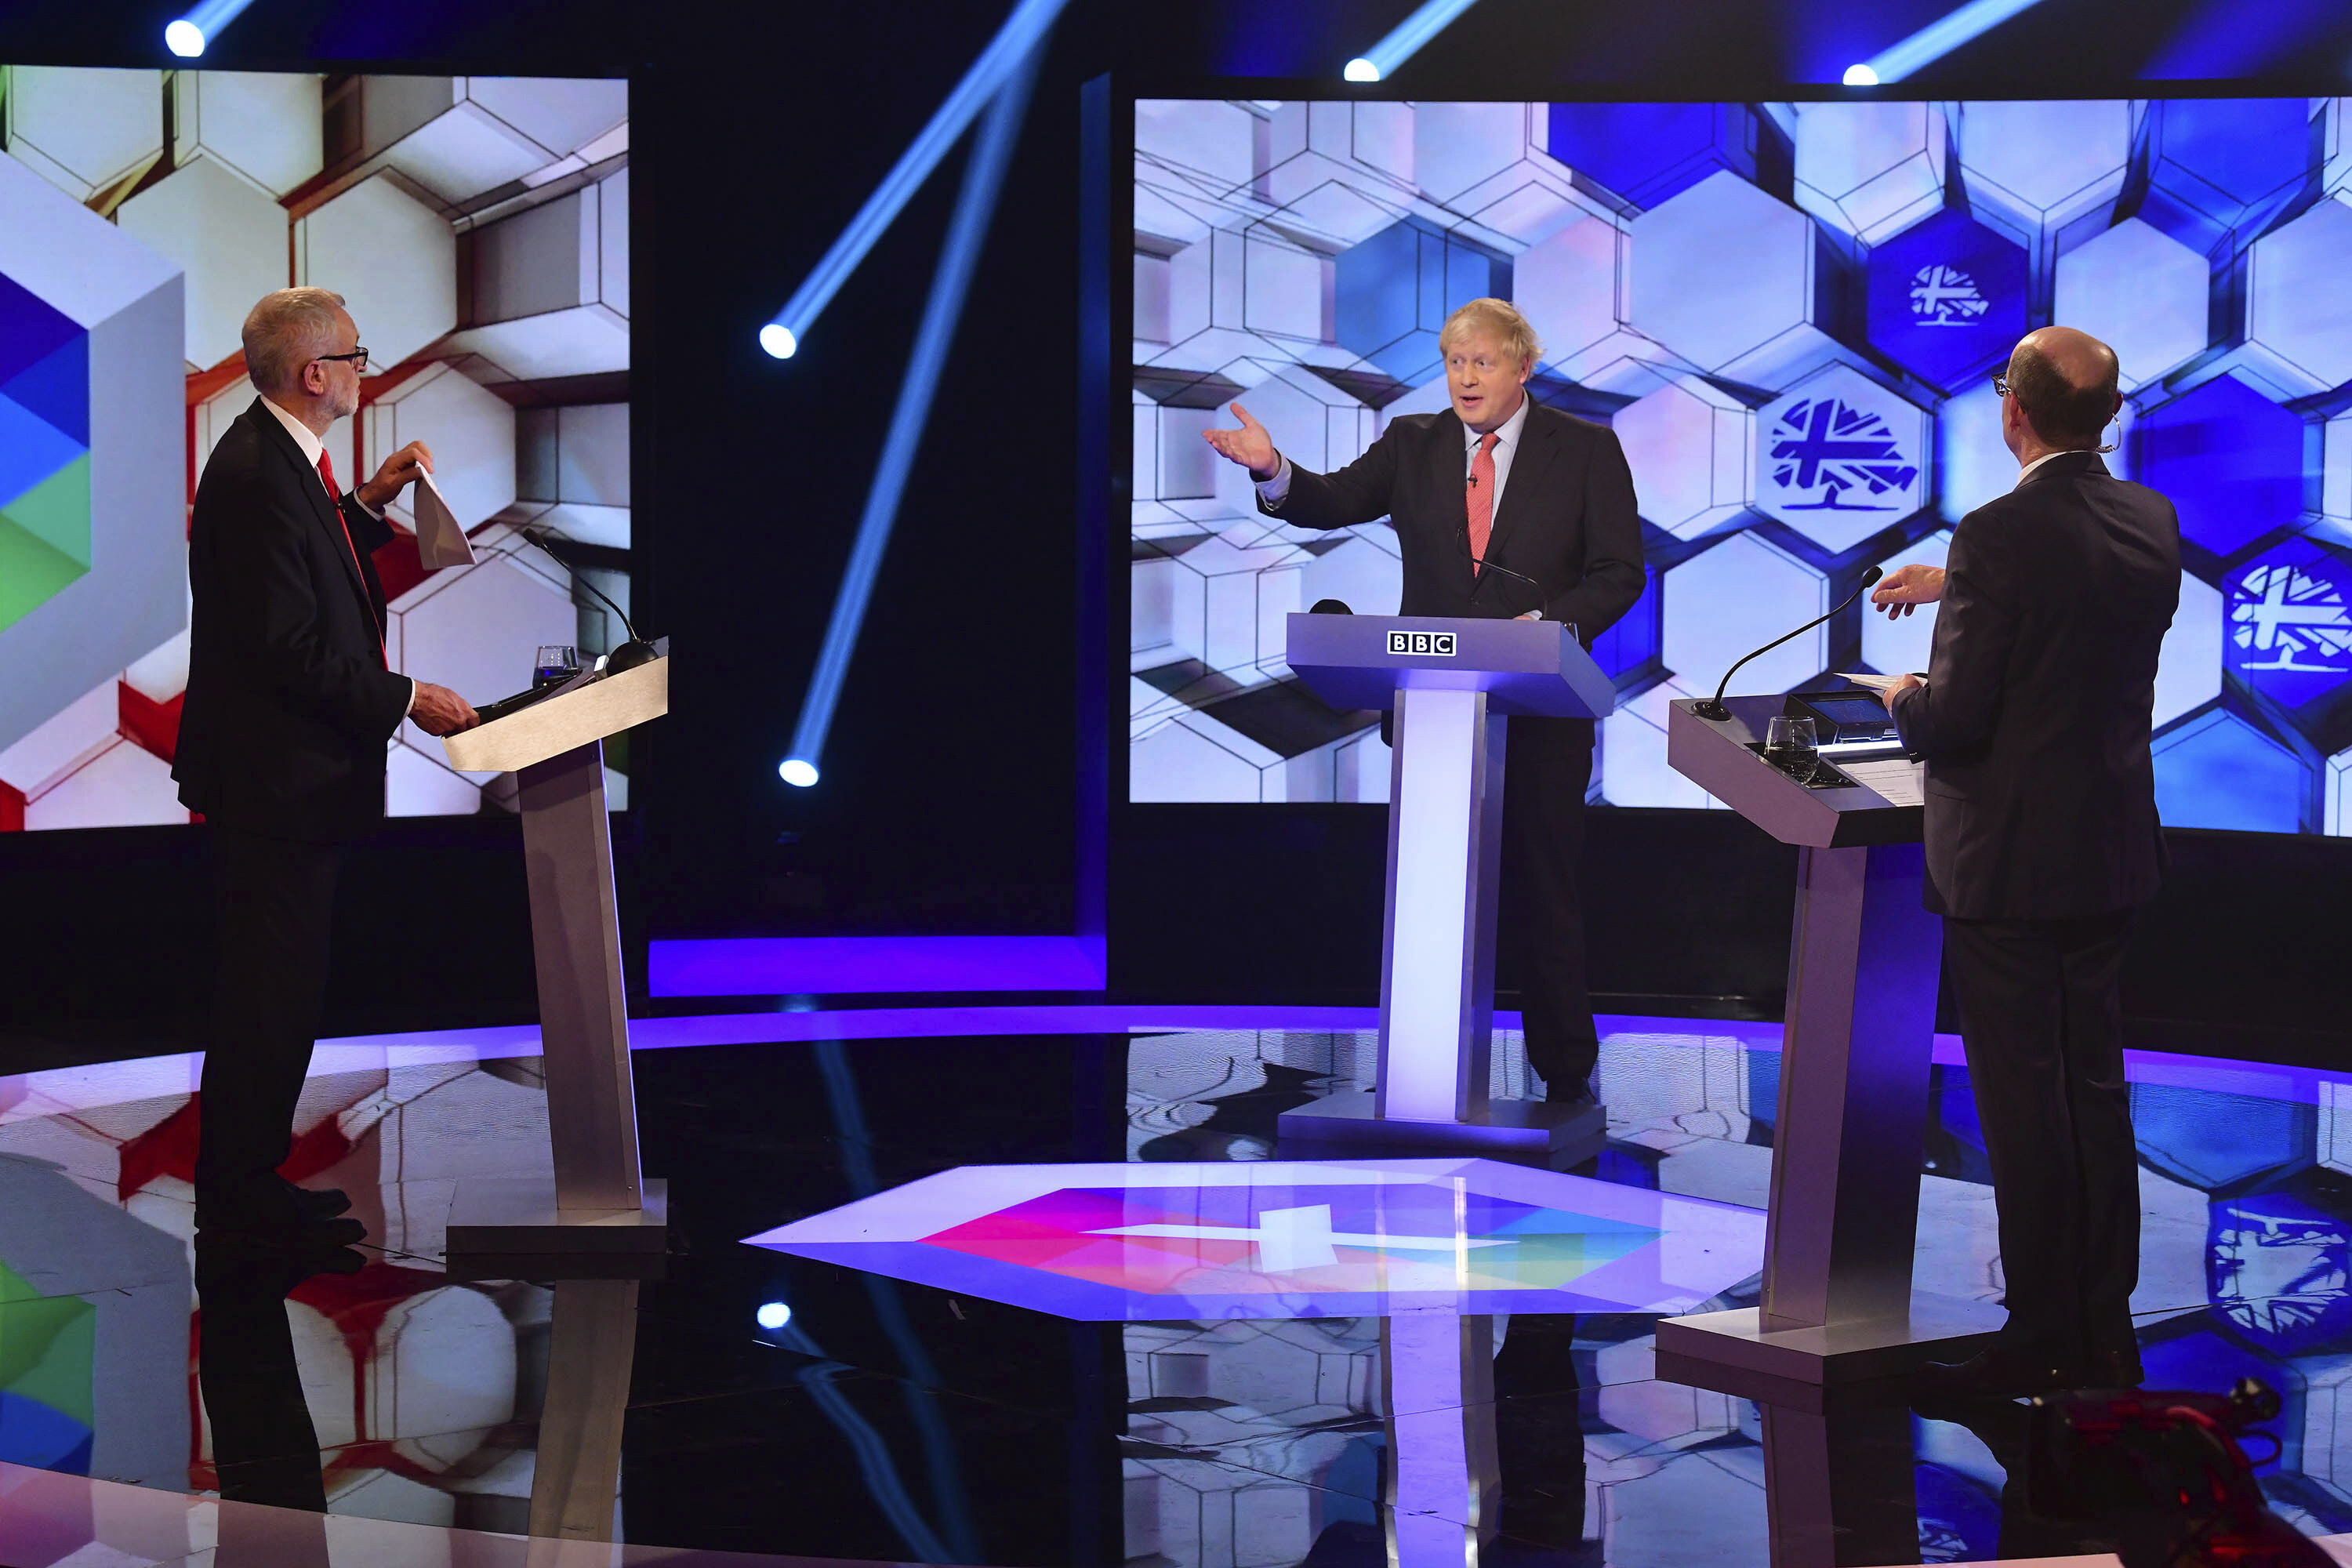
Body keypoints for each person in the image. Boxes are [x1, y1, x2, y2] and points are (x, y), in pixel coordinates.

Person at [1202, 298, 1646, 1105]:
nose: (1466, 377)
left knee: (1545, 887)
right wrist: (1272, 469)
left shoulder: (1584, 449)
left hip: (1542, 714)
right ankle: (1420, 1066)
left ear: (1523, 367)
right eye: (1454, 361)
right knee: (1435, 888)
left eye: (1482, 362)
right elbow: (1331, 500)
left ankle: (1566, 1073)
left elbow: (1619, 571)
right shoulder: (1415, 442)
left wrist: (1547, 626)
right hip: (1437, 715)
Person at [1875, 325, 2178, 1398]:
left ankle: (2039, 1327)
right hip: (2105, 852)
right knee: (2092, 1090)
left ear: (2013, 411)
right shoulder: (2150, 519)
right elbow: (2073, 576)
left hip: (2007, 860)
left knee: (2021, 1095)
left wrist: (1901, 696)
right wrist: (1957, 573)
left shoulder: (1998, 537)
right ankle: (2103, 1323)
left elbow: (1954, 720)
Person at [174, 286, 480, 1234]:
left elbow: (306, 568)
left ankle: (246, 1181)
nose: (363, 369)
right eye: (354, 356)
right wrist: (406, 696)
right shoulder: (260, 473)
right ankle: (241, 1192)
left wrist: (369, 504)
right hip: (278, 787)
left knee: (279, 987)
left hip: (286, 783)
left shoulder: (280, 459)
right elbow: (288, 647)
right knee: (269, 993)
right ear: (316, 375)